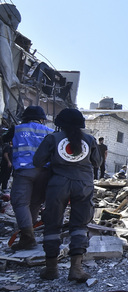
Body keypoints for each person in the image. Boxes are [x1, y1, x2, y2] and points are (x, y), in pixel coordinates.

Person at [33, 108, 100, 282]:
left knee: (52, 225)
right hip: (84, 185)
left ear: (59, 124)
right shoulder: (90, 139)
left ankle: (51, 269)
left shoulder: (52, 138)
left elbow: (37, 161)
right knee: (79, 226)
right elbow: (97, 162)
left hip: (58, 184)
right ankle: (76, 269)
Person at [10, 105, 53, 250]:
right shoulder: (50, 132)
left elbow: (4, 140)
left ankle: (27, 238)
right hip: (44, 172)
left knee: (20, 203)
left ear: (25, 118)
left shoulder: (17, 129)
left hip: (24, 172)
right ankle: (27, 236)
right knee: (35, 204)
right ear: (42, 119)